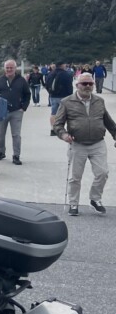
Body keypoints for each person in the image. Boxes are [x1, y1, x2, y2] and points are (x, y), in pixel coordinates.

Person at [53, 73, 116, 216]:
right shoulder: (66, 102)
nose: (87, 86)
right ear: (77, 85)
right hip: (77, 144)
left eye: (90, 84)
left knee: (103, 173)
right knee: (75, 177)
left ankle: (95, 199)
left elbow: (108, 121)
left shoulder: (99, 101)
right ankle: (73, 204)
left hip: (98, 143)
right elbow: (58, 124)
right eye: (84, 84)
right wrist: (63, 134)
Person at [0, 59, 31, 165]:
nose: (9, 69)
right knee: (0, 133)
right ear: (4, 68)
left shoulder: (21, 80)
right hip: (1, 112)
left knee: (16, 134)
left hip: (16, 111)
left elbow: (27, 94)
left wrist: (24, 107)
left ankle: (16, 156)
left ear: (15, 68)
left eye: (11, 68)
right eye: (7, 67)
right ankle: (1, 152)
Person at [45, 63, 75, 136]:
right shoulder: (66, 74)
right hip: (64, 96)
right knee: (67, 113)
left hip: (53, 96)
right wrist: (71, 96)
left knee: (53, 113)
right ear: (63, 66)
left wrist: (50, 92)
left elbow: (46, 84)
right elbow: (69, 86)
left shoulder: (51, 74)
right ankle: (69, 129)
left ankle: (53, 129)